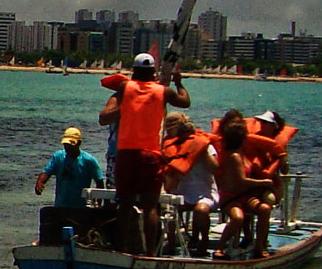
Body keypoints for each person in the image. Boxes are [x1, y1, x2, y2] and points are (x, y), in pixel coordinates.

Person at [100, 52, 190, 255]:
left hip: (126, 153)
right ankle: (150, 253)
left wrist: (126, 108)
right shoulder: (163, 92)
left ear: (133, 71)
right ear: (153, 72)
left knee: (124, 205)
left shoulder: (124, 87)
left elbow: (103, 118)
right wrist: (179, 83)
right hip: (151, 154)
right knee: (150, 207)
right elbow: (185, 102)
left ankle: (121, 249)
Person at [211, 110, 278, 257]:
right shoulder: (234, 156)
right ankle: (220, 248)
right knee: (238, 217)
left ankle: (259, 246)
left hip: (245, 197)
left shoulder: (243, 154)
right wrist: (264, 183)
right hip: (231, 197)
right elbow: (241, 181)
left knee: (265, 209)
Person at [160, 113, 217, 256]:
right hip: (181, 192)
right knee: (170, 209)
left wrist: (202, 152)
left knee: (201, 210)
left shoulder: (203, 144)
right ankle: (171, 243)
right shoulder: (170, 147)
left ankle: (202, 241)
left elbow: (215, 168)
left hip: (205, 191)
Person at [35, 126, 104, 239]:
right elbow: (46, 172)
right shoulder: (58, 157)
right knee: (55, 233)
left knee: (78, 235)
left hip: (79, 208)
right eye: (66, 145)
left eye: (71, 145)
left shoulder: (89, 161)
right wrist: (40, 183)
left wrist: (98, 203)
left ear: (79, 143)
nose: (67, 148)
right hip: (60, 206)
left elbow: (99, 182)